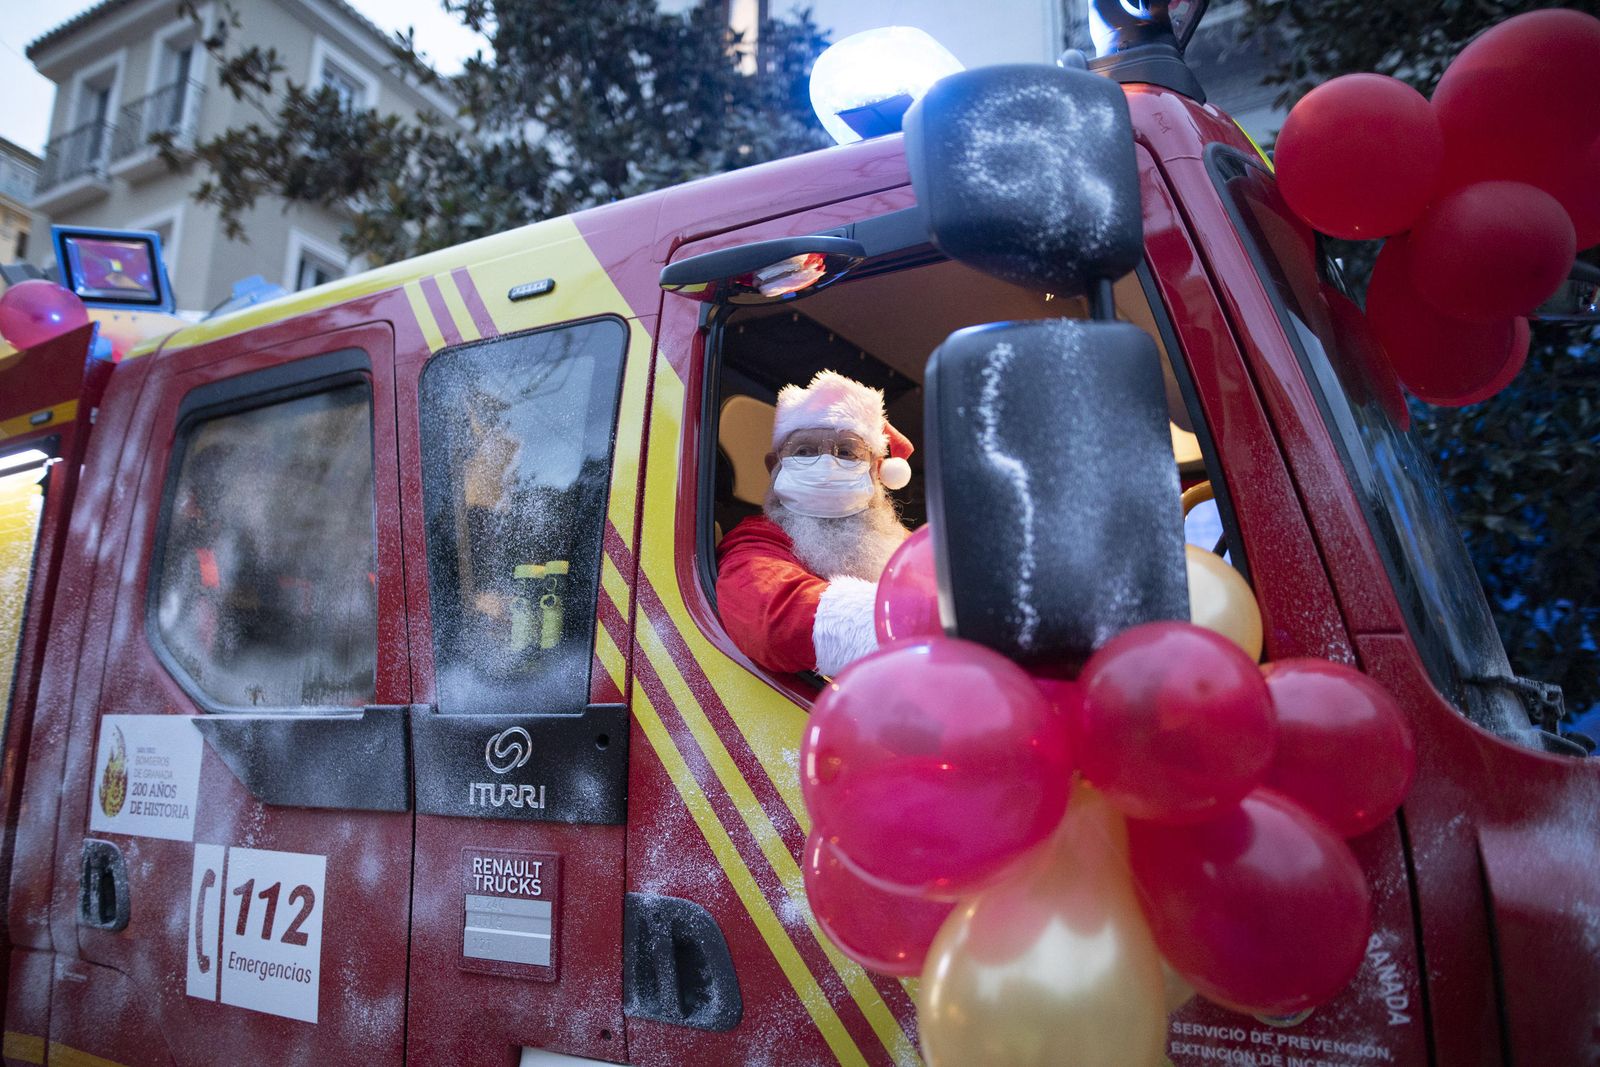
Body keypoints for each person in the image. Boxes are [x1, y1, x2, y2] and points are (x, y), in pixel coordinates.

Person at [716, 371, 915, 676]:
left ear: (876, 471)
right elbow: (774, 622)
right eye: (805, 451)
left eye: (847, 452)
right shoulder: (757, 540)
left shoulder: (906, 545)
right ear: (774, 467)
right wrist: (920, 620)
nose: (826, 464)